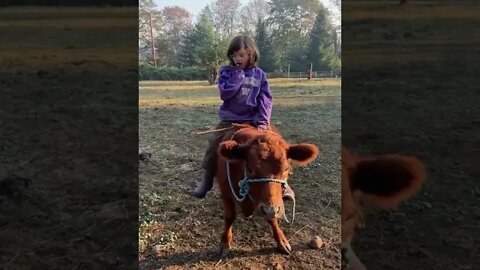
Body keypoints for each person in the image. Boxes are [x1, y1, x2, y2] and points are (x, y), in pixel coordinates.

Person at [193, 35, 295, 200]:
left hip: (254, 120)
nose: (237, 59)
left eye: (241, 55)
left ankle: (284, 184)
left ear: (251, 54)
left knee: (276, 146)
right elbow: (225, 94)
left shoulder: (259, 74)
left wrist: (262, 121)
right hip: (230, 119)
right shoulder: (226, 72)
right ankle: (207, 178)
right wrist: (238, 76)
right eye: (234, 55)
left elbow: (265, 99)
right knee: (214, 145)